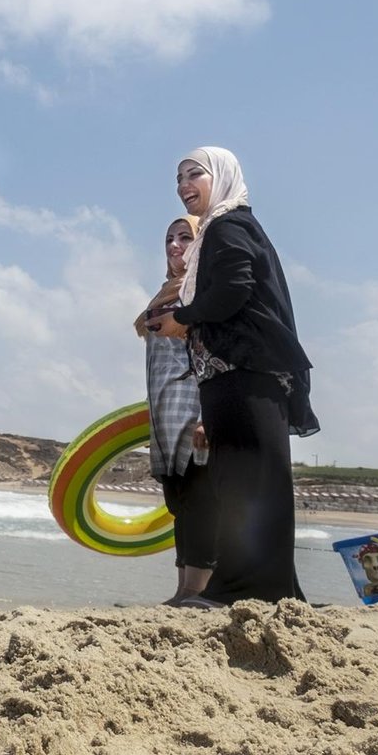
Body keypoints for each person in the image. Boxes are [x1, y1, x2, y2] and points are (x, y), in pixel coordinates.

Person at [150, 146, 318, 606]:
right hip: (234, 379)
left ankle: (247, 591)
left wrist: (183, 318)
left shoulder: (229, 226)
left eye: (194, 173)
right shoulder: (222, 231)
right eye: (178, 177)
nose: (184, 184)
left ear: (221, 175)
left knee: (250, 486)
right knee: (246, 484)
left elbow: (233, 290)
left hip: (247, 374)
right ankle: (267, 592)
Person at [136, 216, 217, 605]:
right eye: (169, 238)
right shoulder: (167, 292)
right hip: (165, 411)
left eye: (186, 237)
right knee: (179, 503)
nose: (174, 245)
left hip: (192, 407)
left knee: (199, 501)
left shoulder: (201, 293)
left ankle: (196, 591)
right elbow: (142, 327)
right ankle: (183, 589)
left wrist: (208, 416)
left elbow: (209, 354)